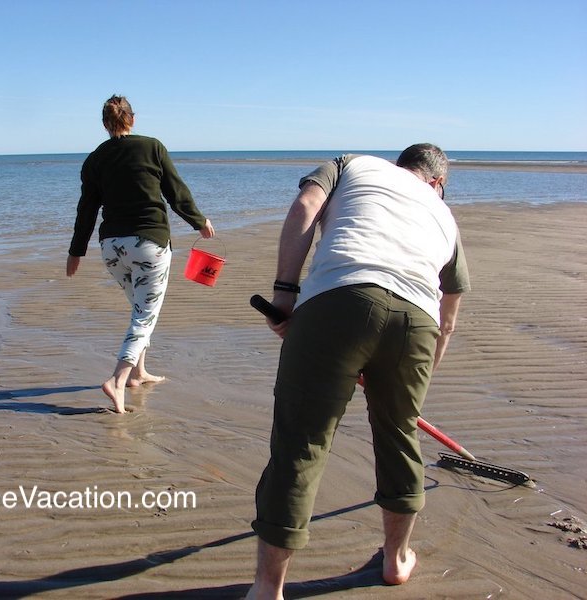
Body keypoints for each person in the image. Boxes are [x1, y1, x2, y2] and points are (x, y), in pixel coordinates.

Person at [246, 144, 470, 598]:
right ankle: (395, 559)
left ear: (398, 166)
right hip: (417, 323)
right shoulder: (444, 216)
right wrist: (413, 380)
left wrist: (285, 293)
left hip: (338, 298)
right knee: (399, 434)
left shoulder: (353, 164)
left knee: (300, 443)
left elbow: (307, 204)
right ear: (439, 183)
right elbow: (448, 316)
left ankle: (268, 588)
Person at [66, 95, 215, 414]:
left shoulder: (94, 159)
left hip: (112, 249)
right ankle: (117, 380)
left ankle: (139, 373)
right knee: (144, 315)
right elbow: (176, 191)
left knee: (139, 308)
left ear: (106, 124)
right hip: (150, 244)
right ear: (131, 119)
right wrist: (199, 221)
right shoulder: (152, 146)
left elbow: (87, 209)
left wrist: (76, 251)